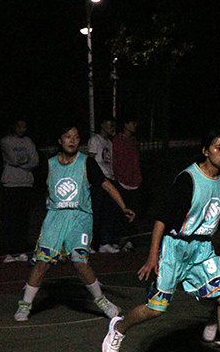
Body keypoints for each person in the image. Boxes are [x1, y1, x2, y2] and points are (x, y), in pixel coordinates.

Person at [102, 128, 220, 352]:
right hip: (175, 247)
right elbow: (161, 219)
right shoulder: (188, 179)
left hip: (202, 250)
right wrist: (153, 256)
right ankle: (119, 328)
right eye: (218, 148)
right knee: (156, 308)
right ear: (205, 151)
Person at [13, 125, 135, 320]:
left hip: (79, 217)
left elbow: (106, 184)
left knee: (79, 261)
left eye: (76, 137)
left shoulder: (86, 163)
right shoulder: (49, 164)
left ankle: (102, 302)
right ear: (60, 140)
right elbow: (41, 190)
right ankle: (25, 305)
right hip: (55, 216)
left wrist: (123, 206)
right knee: (42, 262)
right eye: (68, 136)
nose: (72, 140)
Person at [0, 118, 39, 260]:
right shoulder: (6, 141)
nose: (22, 129)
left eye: (24, 127)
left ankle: (19, 249)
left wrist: (23, 163)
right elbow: (13, 159)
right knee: (10, 219)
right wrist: (25, 161)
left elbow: (35, 161)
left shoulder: (28, 141)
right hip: (11, 184)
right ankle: (7, 251)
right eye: (19, 126)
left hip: (26, 184)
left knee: (23, 220)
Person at [88, 118, 120, 253]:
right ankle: (90, 243)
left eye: (113, 126)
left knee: (108, 213)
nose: (112, 128)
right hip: (98, 181)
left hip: (109, 178)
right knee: (95, 213)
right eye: (110, 125)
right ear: (102, 125)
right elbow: (91, 160)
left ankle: (104, 242)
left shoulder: (109, 143)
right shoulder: (95, 140)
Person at [111, 116, 143, 249]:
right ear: (125, 124)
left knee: (133, 214)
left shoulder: (133, 141)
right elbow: (115, 160)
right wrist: (118, 176)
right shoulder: (117, 140)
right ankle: (118, 240)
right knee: (121, 213)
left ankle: (129, 239)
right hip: (122, 181)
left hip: (134, 182)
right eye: (132, 123)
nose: (134, 126)